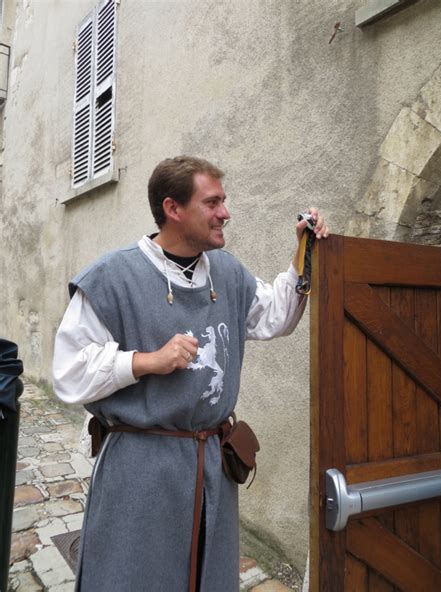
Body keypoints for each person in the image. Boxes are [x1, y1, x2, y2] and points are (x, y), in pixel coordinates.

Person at [52, 156, 329, 592]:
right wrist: (146, 361)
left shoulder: (228, 273)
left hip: (211, 462)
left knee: (206, 576)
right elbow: (68, 372)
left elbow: (274, 315)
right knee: (134, 577)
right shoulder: (113, 277)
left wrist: (305, 251)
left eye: (224, 201)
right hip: (141, 466)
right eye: (212, 202)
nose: (225, 212)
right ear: (173, 209)